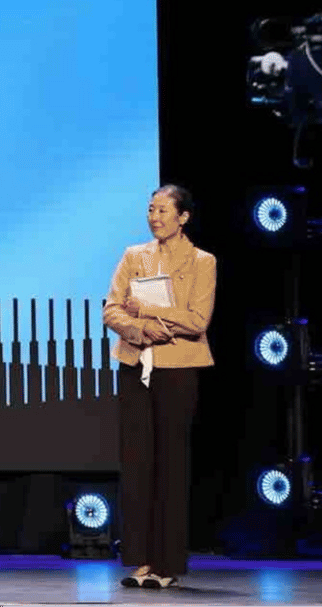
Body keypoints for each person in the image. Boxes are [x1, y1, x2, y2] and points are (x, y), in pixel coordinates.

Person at [102, 185, 215, 590]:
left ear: (183, 217)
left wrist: (147, 309)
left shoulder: (203, 261)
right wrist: (139, 327)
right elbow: (112, 307)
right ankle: (141, 561)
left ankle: (167, 563)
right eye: (151, 210)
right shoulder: (135, 256)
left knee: (170, 464)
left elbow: (197, 320)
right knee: (136, 464)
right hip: (137, 364)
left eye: (163, 210)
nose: (155, 217)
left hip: (178, 368)